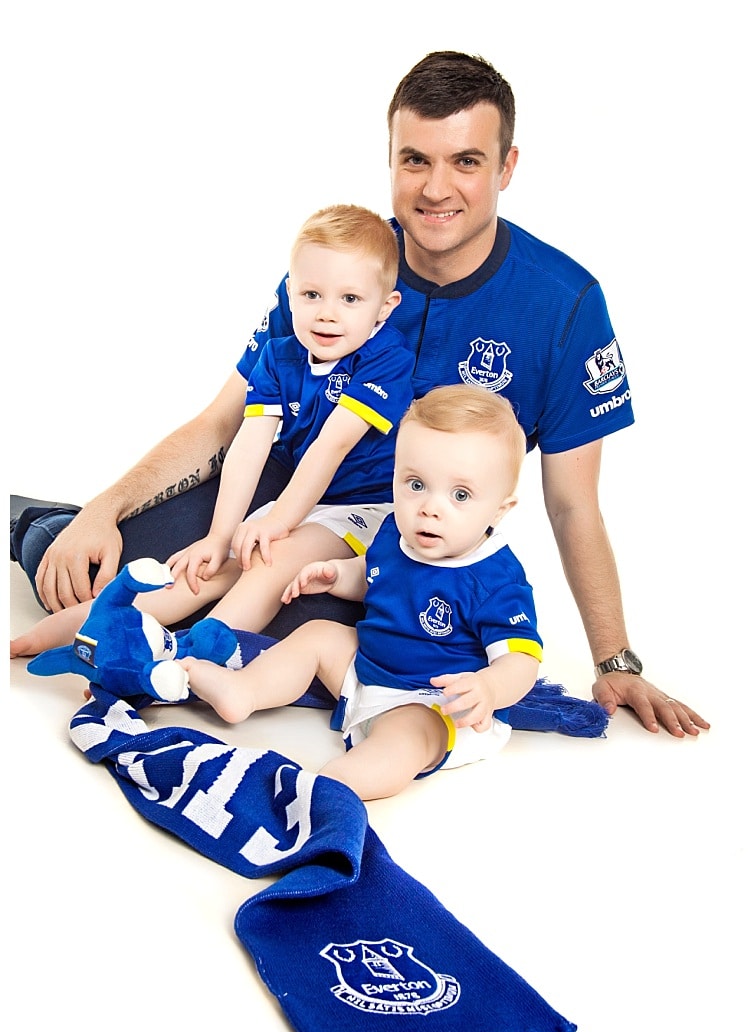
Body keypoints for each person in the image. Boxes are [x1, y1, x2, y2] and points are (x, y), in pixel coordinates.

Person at [11, 51, 707, 738]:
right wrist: (103, 509)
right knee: (93, 576)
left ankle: (190, 654)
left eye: (465, 161)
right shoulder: (343, 267)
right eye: (415, 160)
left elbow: (572, 500)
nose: (437, 188)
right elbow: (228, 420)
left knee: (309, 631)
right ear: (391, 158)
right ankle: (42, 523)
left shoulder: (564, 303)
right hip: (276, 489)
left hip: (400, 539)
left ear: (507, 166)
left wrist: (614, 657)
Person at [11, 205, 411, 658]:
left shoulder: (386, 361)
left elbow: (330, 447)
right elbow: (250, 442)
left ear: (385, 307)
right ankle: (54, 635)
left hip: (366, 508)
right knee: (201, 571)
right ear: (290, 292)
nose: (326, 315)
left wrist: (276, 523)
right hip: (305, 498)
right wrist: (219, 538)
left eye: (350, 300)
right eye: (311, 294)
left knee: (268, 561)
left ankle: (187, 661)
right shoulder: (281, 357)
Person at [181, 386, 540, 800]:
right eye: (416, 484)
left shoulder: (495, 580)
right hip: (367, 672)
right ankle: (243, 690)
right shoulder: (396, 532)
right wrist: (338, 575)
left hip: (433, 701)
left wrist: (489, 689)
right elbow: (376, 577)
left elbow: (521, 660)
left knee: (410, 735)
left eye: (460, 495)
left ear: (499, 509)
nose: (429, 507)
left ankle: (336, 785)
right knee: (320, 634)